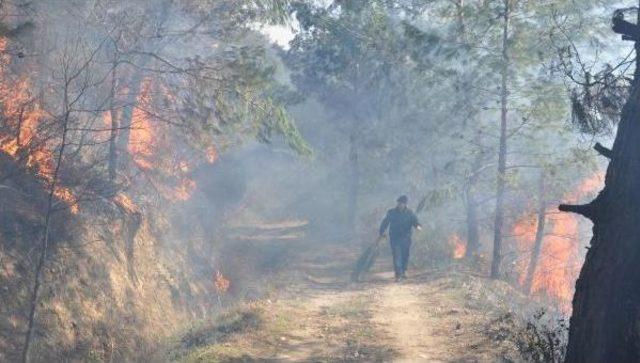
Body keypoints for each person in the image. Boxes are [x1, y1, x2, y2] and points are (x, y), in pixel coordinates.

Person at [379, 195, 422, 282]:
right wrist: (382, 232)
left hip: (406, 238)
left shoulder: (410, 213)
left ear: (405, 204)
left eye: (401, 203)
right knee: (397, 255)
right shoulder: (391, 212)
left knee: (405, 255)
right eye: (399, 203)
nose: (400, 205)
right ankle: (398, 274)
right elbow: (385, 222)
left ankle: (403, 271)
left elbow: (415, 222)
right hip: (395, 237)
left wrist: (418, 227)